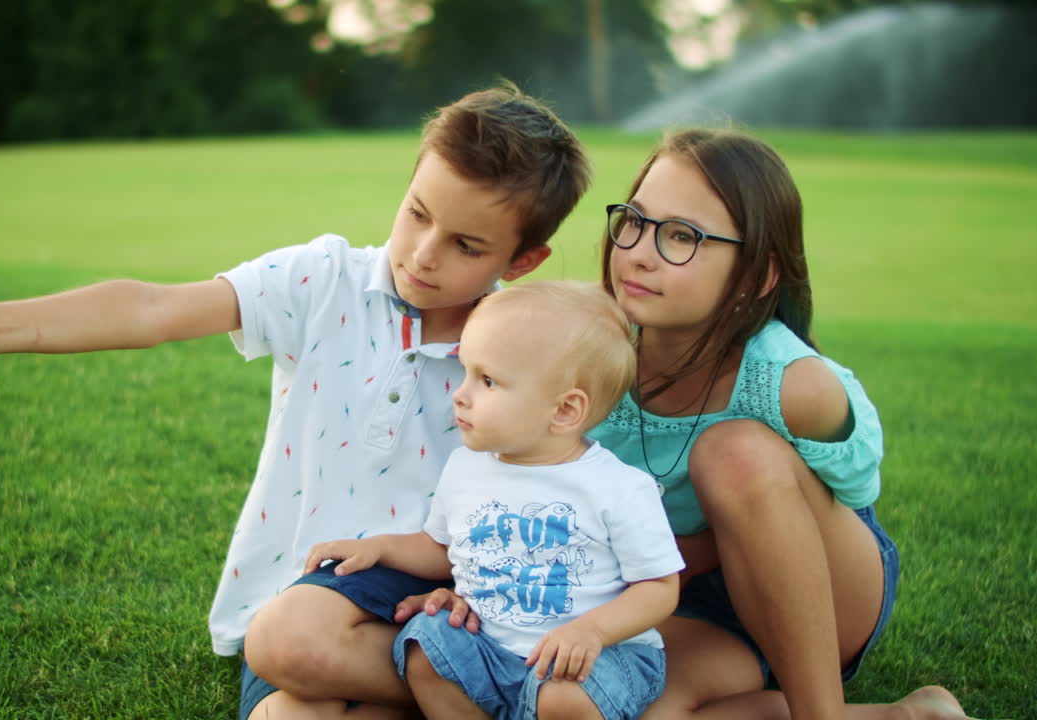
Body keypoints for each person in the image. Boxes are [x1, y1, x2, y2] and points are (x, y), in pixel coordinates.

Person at [0, 84, 591, 720]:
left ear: (521, 262)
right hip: (298, 610)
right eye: (417, 215)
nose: (424, 254)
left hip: (436, 610)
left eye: (466, 244)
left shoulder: (529, 352)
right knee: (292, 687)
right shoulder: (322, 282)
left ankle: (474, 683)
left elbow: (550, 496)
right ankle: (485, 694)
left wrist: (477, 594)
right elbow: (152, 309)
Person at [396, 128, 978, 720]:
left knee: (733, 455)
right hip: (666, 601)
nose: (641, 253)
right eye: (636, 222)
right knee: (616, 707)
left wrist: (705, 542)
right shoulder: (586, 351)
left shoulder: (793, 384)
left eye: (682, 236)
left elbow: (843, 510)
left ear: (757, 274)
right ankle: (903, 716)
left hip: (813, 597)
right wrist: (481, 593)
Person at [303, 281, 684, 720]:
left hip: (595, 659)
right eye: (465, 372)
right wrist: (378, 548)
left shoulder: (618, 487)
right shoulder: (466, 467)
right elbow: (443, 550)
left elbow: (659, 588)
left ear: (563, 411)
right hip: (488, 648)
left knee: (562, 699)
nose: (460, 393)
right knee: (424, 648)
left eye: (487, 380)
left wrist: (592, 631)